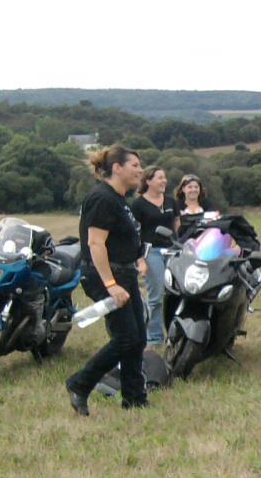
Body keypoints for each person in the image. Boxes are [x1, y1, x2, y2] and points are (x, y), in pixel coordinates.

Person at [65, 145, 148, 416]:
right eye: (134, 165)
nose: (140, 170)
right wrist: (111, 285)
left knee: (138, 338)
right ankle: (79, 383)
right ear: (117, 167)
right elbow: (95, 243)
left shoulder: (119, 199)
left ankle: (134, 399)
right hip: (106, 276)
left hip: (124, 274)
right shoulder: (102, 198)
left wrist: (137, 258)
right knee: (125, 338)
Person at [131, 167, 178, 346]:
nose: (164, 181)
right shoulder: (138, 205)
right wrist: (140, 258)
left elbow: (177, 226)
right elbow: (134, 232)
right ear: (148, 181)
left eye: (164, 177)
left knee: (175, 293)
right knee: (156, 295)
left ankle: (175, 335)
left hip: (172, 251)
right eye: (160, 178)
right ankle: (154, 337)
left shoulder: (171, 202)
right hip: (151, 253)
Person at [175, 173, 209, 241]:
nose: (193, 190)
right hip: (182, 244)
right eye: (190, 187)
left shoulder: (207, 205)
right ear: (183, 189)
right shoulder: (176, 206)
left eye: (196, 187)